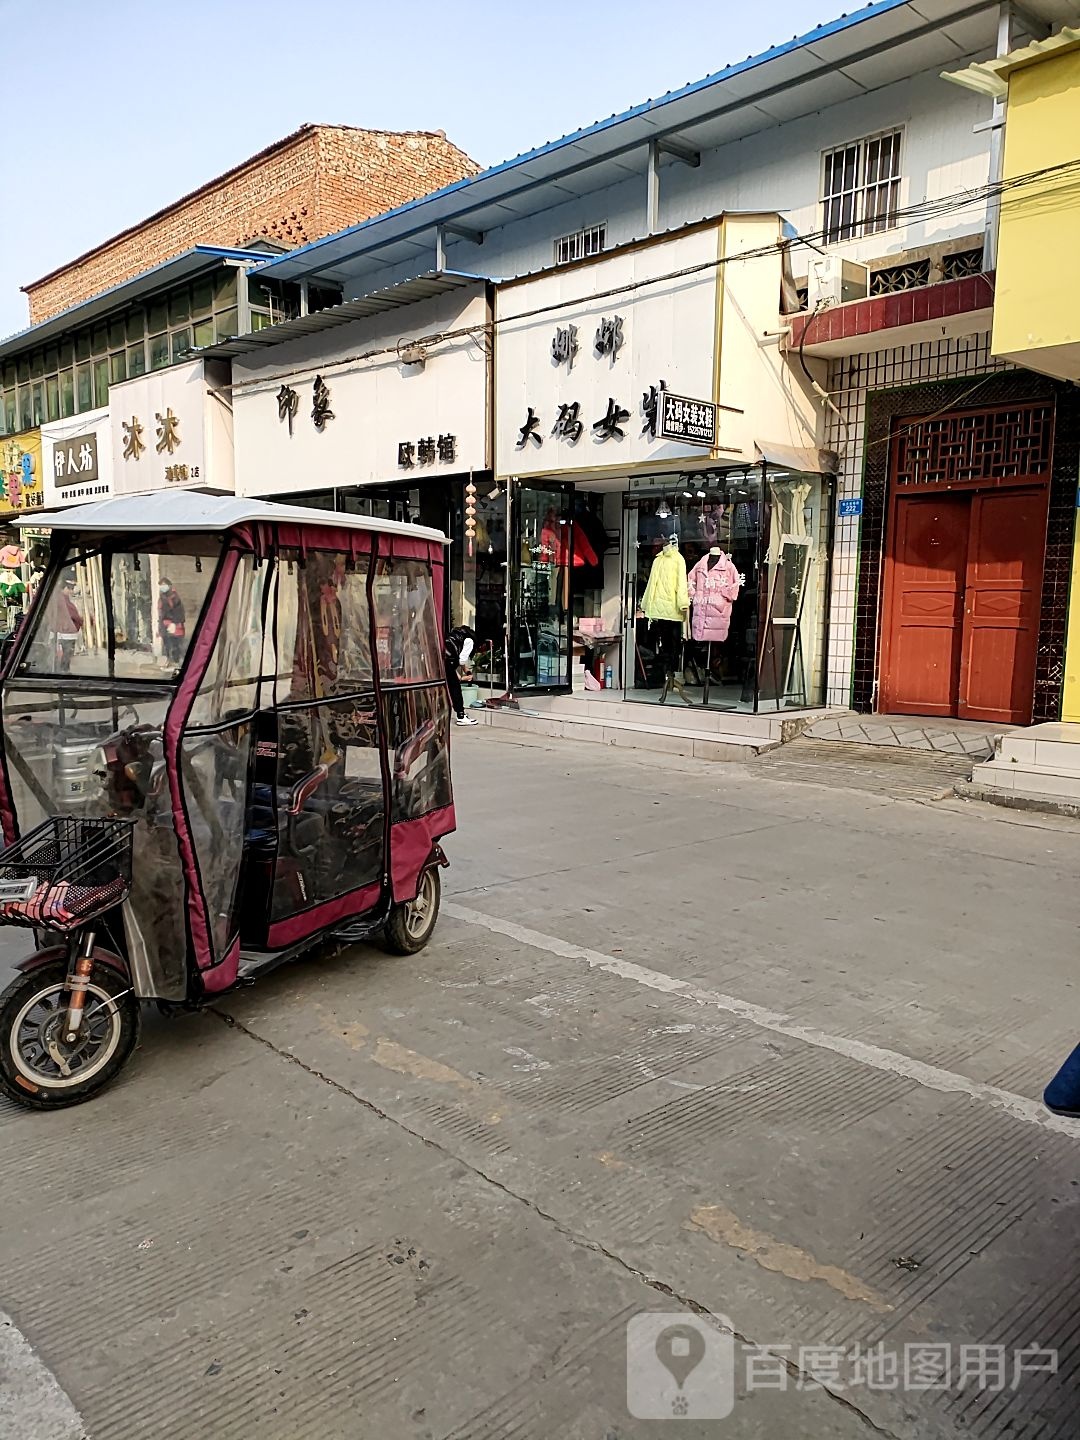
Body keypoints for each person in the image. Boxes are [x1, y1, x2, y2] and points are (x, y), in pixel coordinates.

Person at [444, 624, 478, 726]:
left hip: (442, 661)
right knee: (456, 689)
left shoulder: (453, 636)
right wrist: (464, 677)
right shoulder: (470, 641)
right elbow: (461, 660)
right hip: (449, 664)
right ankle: (461, 716)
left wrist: (466, 671)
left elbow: (458, 660)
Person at [50, 575, 82, 672]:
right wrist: (80, 621)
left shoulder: (56, 597)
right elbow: (74, 615)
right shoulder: (63, 600)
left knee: (56, 655)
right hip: (67, 632)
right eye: (69, 588)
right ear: (63, 587)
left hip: (57, 631)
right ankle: (64, 671)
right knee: (66, 655)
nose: (71, 591)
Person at [158, 577, 186, 665]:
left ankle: (176, 662)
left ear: (169, 586)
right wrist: (160, 628)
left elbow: (179, 612)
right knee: (167, 645)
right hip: (164, 625)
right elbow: (161, 613)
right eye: (161, 585)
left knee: (175, 645)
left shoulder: (174, 597)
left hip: (174, 625)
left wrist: (174, 623)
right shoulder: (161, 597)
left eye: (164, 585)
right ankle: (169, 661)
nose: (162, 587)